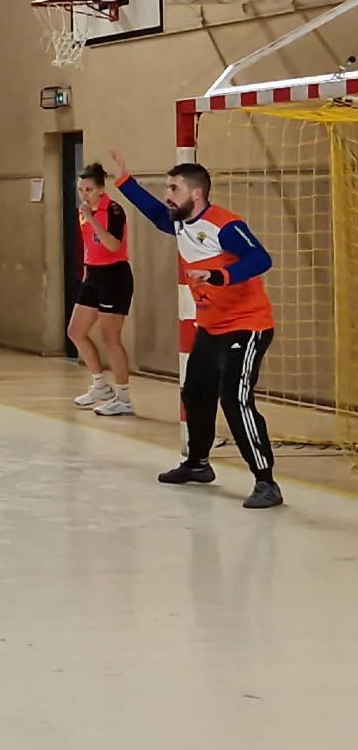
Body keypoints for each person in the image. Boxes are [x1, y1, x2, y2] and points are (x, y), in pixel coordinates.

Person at [109, 150, 280, 508]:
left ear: (196, 194)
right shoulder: (180, 223)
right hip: (211, 327)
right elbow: (155, 213)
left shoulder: (225, 224)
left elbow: (261, 258)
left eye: (173, 188)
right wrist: (125, 181)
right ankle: (198, 464)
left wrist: (218, 276)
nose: (167, 195)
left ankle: (266, 482)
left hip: (247, 326)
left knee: (234, 399)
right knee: (196, 393)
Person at [70, 162, 133, 416]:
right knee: (75, 331)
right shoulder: (83, 211)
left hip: (114, 276)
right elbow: (89, 245)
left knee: (110, 338)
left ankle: (123, 397)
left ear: (100, 190)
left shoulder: (114, 210)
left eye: (88, 189)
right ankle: (100, 386)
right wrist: (86, 271)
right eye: (81, 189)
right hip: (93, 275)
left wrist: (93, 219)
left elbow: (113, 245)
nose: (84, 194)